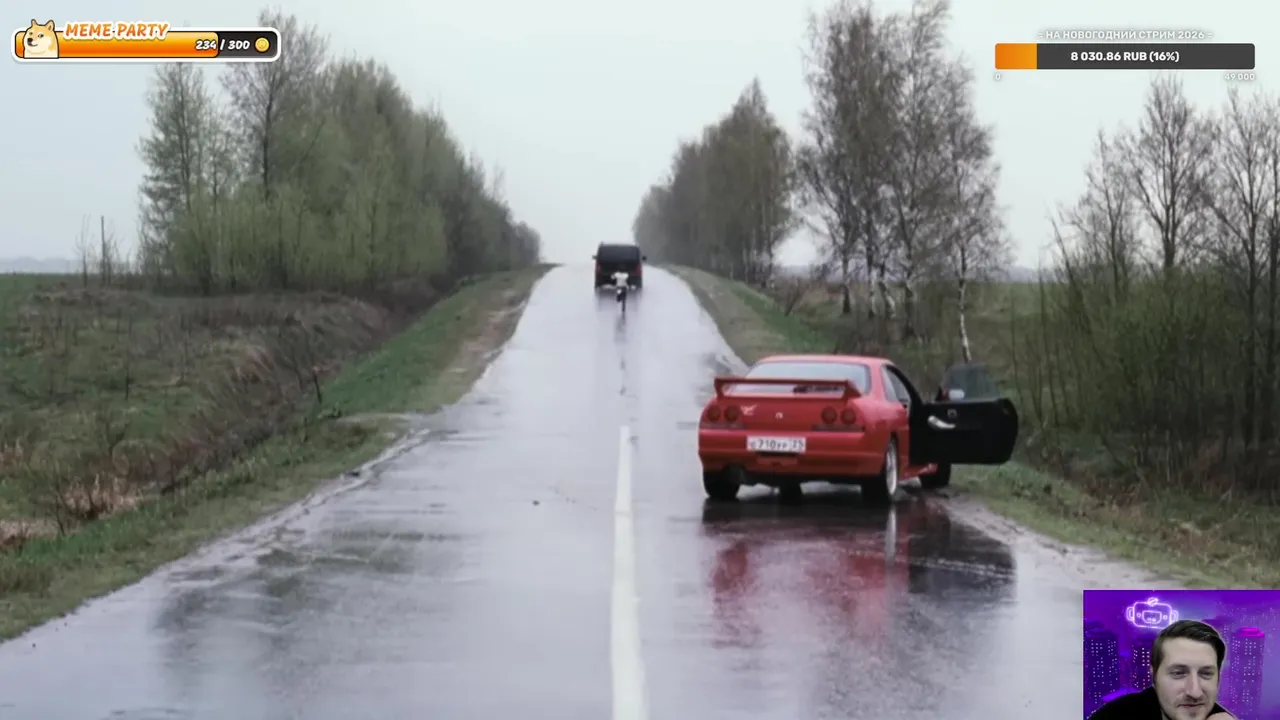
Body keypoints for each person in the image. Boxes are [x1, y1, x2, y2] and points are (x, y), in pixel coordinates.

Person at [1088, 619, 1234, 720]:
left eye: (1206, 674)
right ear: (1154, 676)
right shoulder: (1112, 716)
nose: (1194, 692)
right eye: (1178, 673)